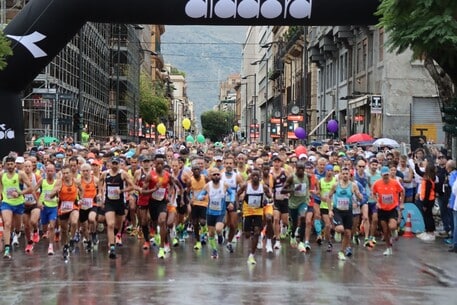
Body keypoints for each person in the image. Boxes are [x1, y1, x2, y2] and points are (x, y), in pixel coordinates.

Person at [98, 157, 135, 259]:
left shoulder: (123, 174)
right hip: (109, 202)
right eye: (113, 163)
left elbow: (132, 186)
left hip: (119, 202)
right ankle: (112, 247)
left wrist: (122, 191)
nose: (114, 165)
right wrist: (100, 193)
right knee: (110, 224)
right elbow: (100, 183)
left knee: (118, 225)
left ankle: (115, 236)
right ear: (110, 164)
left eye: (116, 163)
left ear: (119, 164)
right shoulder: (105, 174)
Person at [325, 167, 363, 260]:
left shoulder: (353, 185)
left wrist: (359, 197)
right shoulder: (335, 185)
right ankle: (336, 229)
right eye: (344, 173)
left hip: (348, 211)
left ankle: (341, 252)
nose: (345, 175)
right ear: (341, 175)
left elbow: (359, 197)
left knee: (348, 233)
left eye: (347, 174)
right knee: (341, 229)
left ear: (349, 175)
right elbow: (328, 197)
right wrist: (330, 210)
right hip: (337, 211)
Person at [48, 164, 84, 261]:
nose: (66, 175)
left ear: (71, 174)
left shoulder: (76, 181)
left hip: (73, 206)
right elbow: (50, 195)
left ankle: (72, 239)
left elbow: (82, 189)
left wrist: (81, 198)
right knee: (63, 230)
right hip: (62, 208)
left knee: (74, 222)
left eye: (67, 173)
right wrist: (56, 192)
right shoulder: (59, 183)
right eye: (64, 173)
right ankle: (65, 246)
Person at [198, 168, 235, 259]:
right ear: (211, 176)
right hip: (210, 212)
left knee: (218, 229)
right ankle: (214, 251)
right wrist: (201, 197)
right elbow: (199, 195)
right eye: (214, 174)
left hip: (221, 212)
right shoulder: (207, 186)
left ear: (220, 176)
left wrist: (231, 202)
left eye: (218, 174)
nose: (216, 176)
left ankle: (220, 235)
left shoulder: (224, 185)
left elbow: (232, 193)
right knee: (210, 234)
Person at [0, 156, 33, 259]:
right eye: (8, 164)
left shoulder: (20, 174)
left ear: (15, 165)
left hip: (18, 204)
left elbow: (31, 188)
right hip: (6, 203)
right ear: (5, 165)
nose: (10, 166)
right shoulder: (2, 174)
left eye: (11, 164)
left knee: (18, 227)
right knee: (8, 224)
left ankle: (16, 233)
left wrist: (20, 193)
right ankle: (7, 249)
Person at [237, 169, 272, 265]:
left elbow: (269, 195)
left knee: (257, 231)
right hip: (248, 211)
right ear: (251, 177)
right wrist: (238, 204)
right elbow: (238, 194)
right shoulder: (246, 186)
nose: (255, 177)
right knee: (247, 234)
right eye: (253, 176)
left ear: (260, 177)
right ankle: (252, 238)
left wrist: (269, 196)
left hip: (258, 211)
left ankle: (251, 255)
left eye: (257, 176)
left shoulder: (263, 187)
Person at [372, 166, 405, 255]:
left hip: (392, 208)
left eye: (387, 175)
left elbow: (402, 191)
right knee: (385, 230)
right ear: (381, 175)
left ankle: (394, 231)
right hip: (382, 210)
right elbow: (373, 193)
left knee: (392, 226)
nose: (386, 177)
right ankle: (388, 247)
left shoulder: (395, 183)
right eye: (384, 175)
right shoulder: (377, 184)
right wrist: (377, 202)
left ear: (389, 174)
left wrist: (401, 202)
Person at [281, 161, 311, 253]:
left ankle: (301, 242)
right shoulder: (291, 178)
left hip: (303, 202)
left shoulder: (308, 176)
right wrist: (292, 190)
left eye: (302, 169)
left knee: (302, 218)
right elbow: (282, 190)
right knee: (294, 223)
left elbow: (307, 187)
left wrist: (308, 196)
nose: (301, 171)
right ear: (296, 169)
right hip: (293, 203)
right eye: (299, 169)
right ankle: (293, 235)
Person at [36, 163, 58, 255]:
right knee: (44, 227)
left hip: (54, 207)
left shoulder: (57, 182)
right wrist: (38, 202)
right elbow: (34, 190)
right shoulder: (42, 181)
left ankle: (51, 246)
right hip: (44, 207)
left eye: (51, 171)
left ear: (54, 171)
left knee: (52, 226)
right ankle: (45, 232)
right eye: (48, 171)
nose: (49, 172)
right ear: (45, 171)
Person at [417, 164, 436, 241]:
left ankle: (430, 232)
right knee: (428, 215)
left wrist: (425, 204)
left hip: (428, 200)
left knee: (427, 216)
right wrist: (415, 164)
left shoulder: (428, 180)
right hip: (430, 200)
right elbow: (418, 171)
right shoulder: (430, 177)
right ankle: (429, 231)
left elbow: (427, 193)